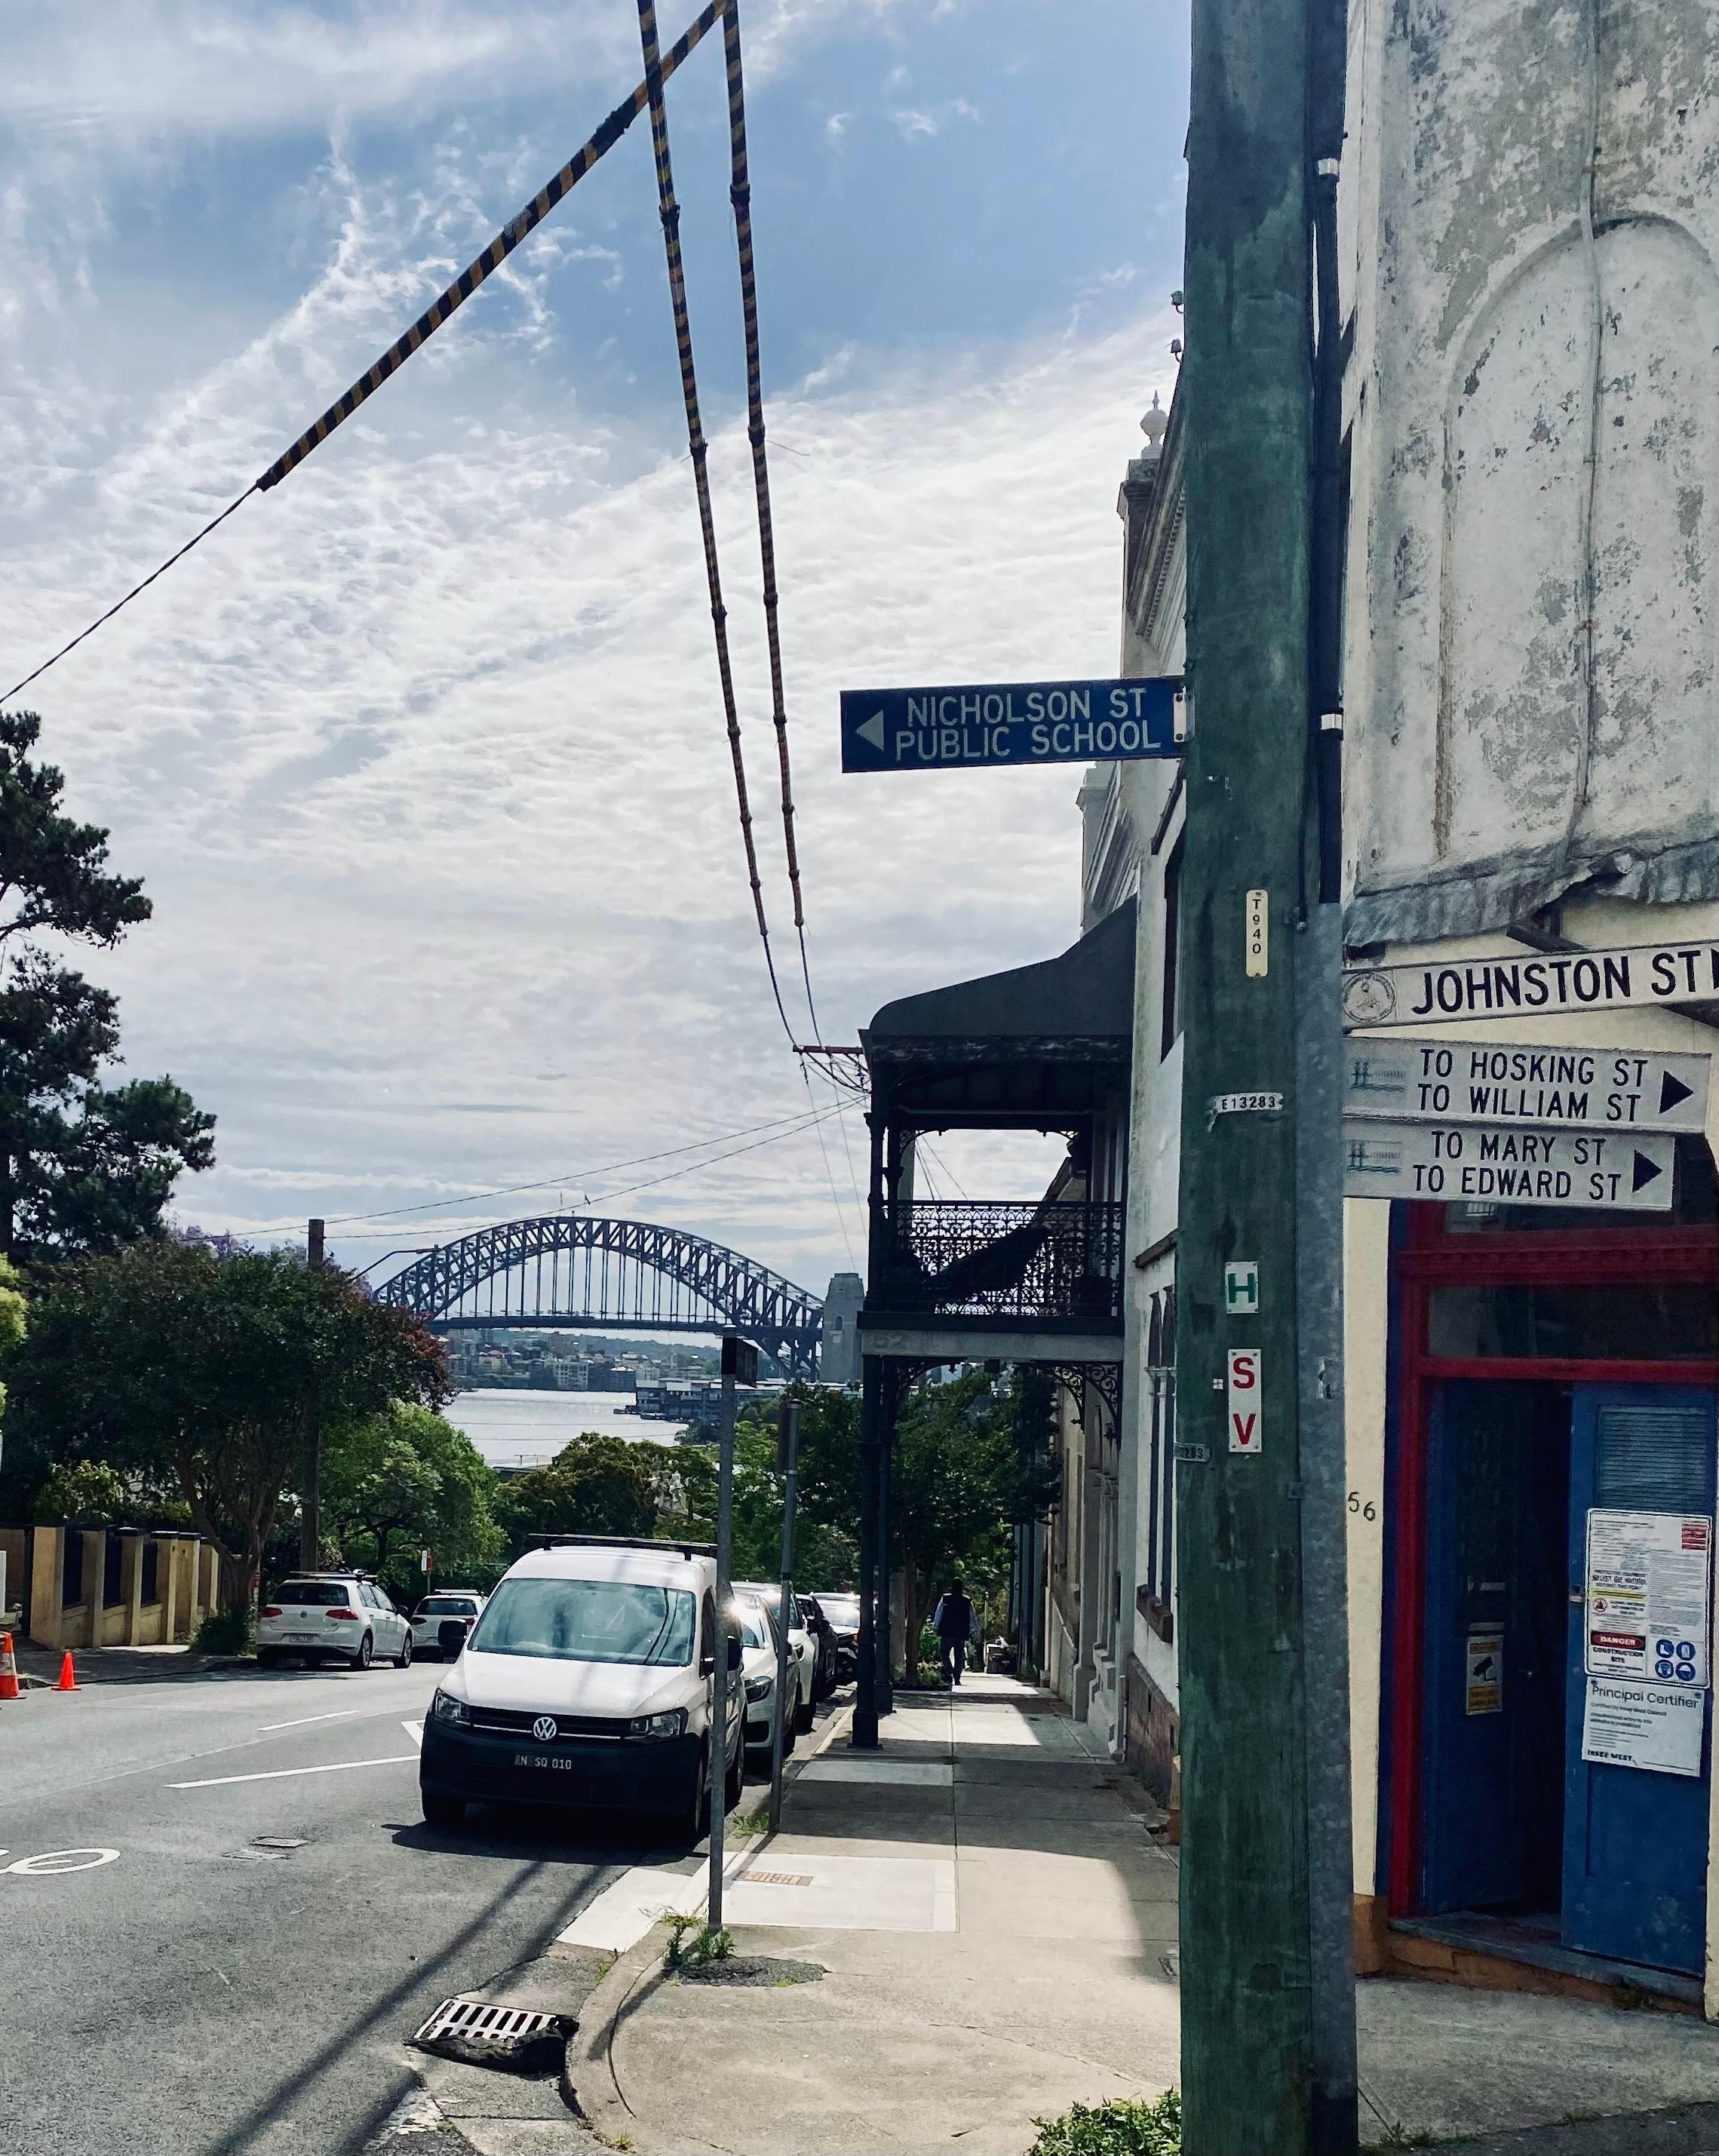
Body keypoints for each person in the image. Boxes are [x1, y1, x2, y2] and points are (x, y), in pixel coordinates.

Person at [930, 1578, 978, 1688]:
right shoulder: (967, 1601)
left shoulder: (946, 1599)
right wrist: (975, 1631)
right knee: (959, 1656)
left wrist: (935, 1627)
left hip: (947, 1632)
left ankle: (949, 1671)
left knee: (944, 1653)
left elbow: (939, 1613)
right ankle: (957, 1677)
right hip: (961, 1633)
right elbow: (972, 1618)